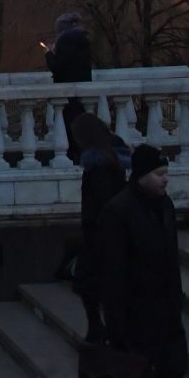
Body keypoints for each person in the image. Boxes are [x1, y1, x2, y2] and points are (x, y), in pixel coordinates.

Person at [93, 145, 188, 378]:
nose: (165, 178)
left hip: (166, 308)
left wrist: (176, 299)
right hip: (136, 313)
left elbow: (172, 257)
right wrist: (116, 323)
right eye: (159, 173)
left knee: (177, 366)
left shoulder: (165, 205)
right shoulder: (118, 211)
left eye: (166, 172)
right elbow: (112, 272)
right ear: (141, 175)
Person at [70, 112, 130, 343]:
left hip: (101, 236)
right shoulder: (112, 159)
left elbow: (100, 205)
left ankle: (99, 329)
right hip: (104, 235)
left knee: (91, 282)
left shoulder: (98, 167)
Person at [48, 12, 95, 161]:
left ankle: (72, 155)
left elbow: (58, 67)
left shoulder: (64, 41)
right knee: (80, 125)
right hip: (82, 87)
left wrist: (49, 54)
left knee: (67, 126)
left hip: (67, 90)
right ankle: (80, 154)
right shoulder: (82, 40)